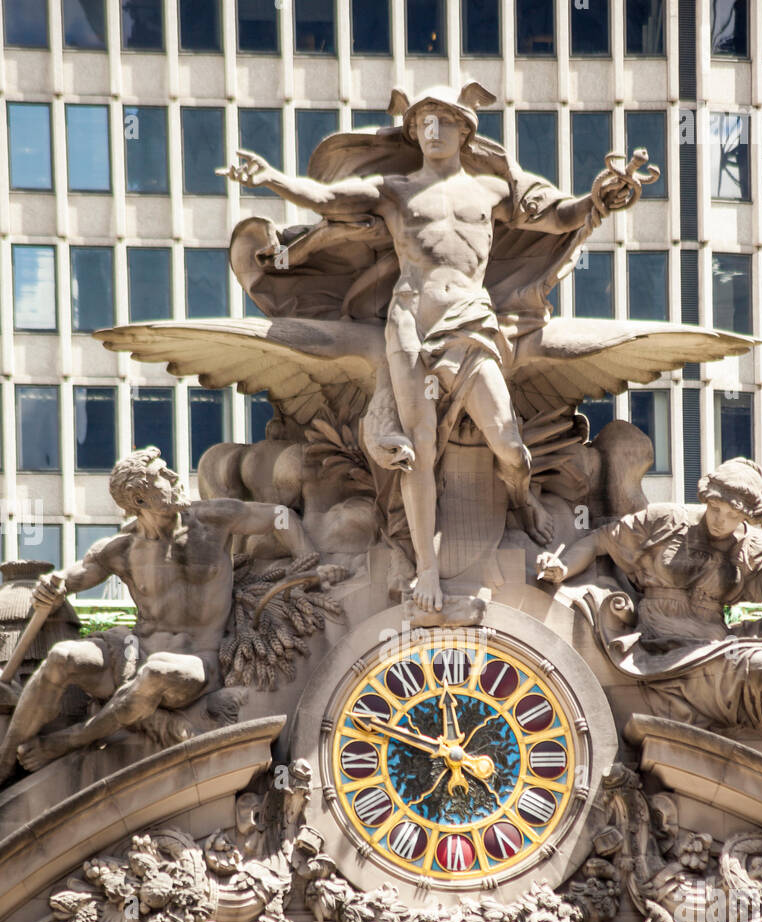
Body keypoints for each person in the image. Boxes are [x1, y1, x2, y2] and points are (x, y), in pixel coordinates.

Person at [218, 86, 642, 613]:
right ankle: (424, 571)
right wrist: (273, 179)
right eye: (423, 123)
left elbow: (558, 217)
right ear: (413, 131)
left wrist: (599, 197)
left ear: (466, 131)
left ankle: (521, 495)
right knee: (415, 451)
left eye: (444, 122)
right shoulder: (393, 189)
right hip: (410, 322)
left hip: (471, 321)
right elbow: (329, 201)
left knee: (509, 443)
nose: (432, 132)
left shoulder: (491, 189)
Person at [0, 447, 319, 784]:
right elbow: (72, 578)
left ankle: (70, 740)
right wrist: (52, 586)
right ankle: (6, 764)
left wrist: (311, 561)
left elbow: (280, 516)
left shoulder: (213, 520)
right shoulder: (121, 550)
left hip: (196, 662)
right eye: (162, 476)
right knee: (62, 656)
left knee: (155, 673)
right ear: (139, 500)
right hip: (130, 653)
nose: (175, 478)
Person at [536, 456, 762, 770]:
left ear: (747, 517)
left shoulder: (753, 548)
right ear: (707, 498)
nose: (719, 519)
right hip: (669, 641)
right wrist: (561, 566)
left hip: (719, 638)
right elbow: (599, 542)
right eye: (715, 508)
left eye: (730, 515)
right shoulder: (666, 520)